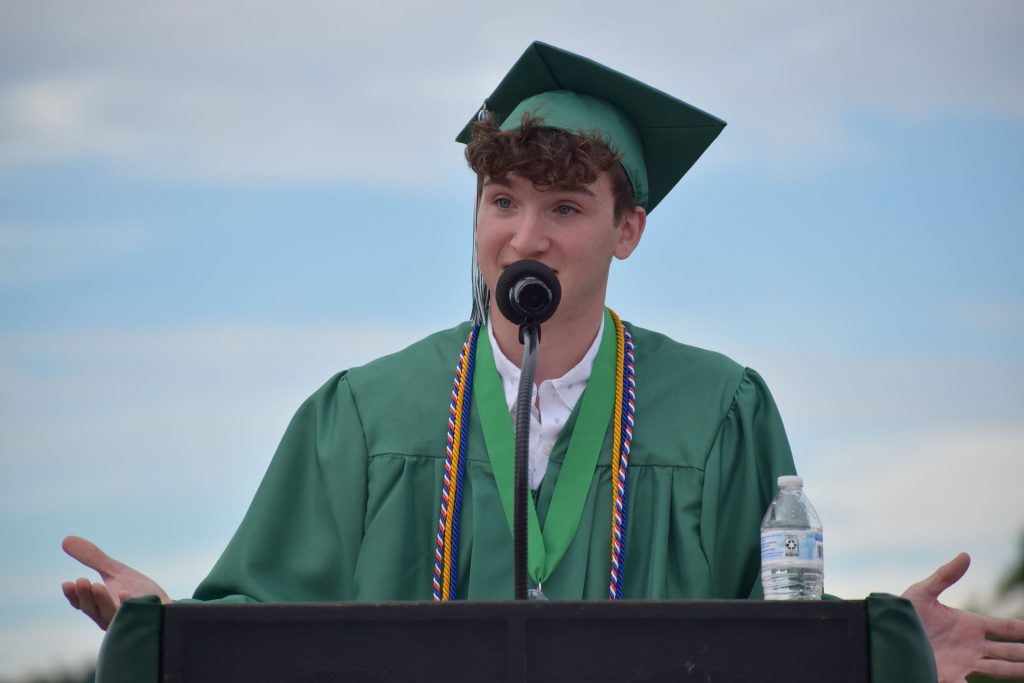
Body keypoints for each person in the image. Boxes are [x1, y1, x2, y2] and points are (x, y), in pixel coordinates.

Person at [63, 42, 1024, 681]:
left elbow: (769, 641)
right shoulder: (364, 414)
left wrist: (873, 651)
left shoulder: (719, 409)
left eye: (565, 208)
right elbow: (262, 632)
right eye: (502, 201)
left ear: (629, 229)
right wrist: (167, 631)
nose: (525, 237)